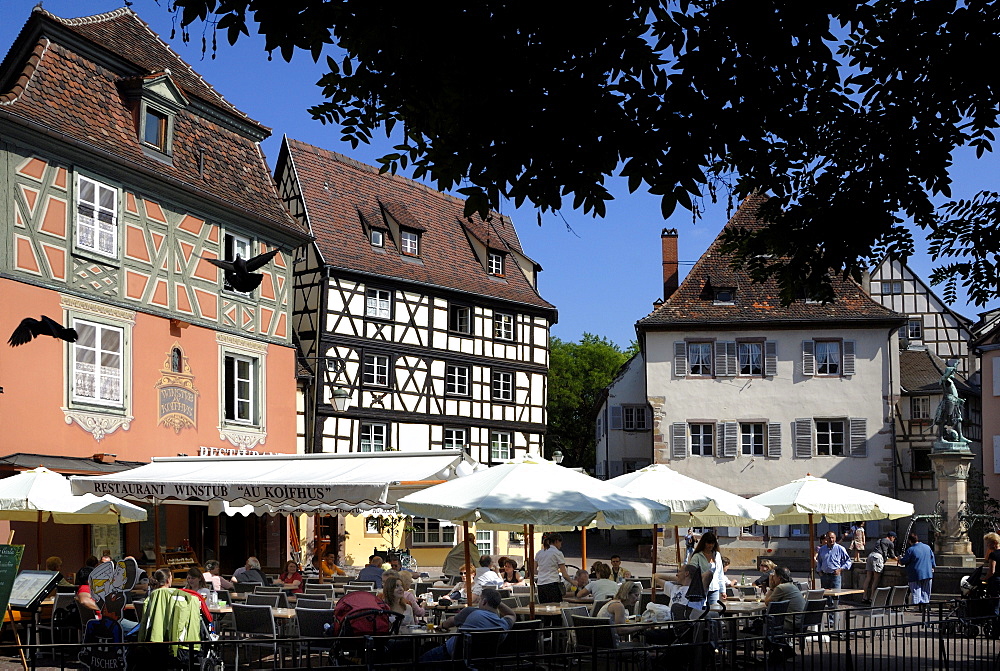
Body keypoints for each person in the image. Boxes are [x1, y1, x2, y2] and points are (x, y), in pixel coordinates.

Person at [420, 588, 516, 662]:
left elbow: (450, 622)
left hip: (452, 655)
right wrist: (497, 602)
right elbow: (512, 614)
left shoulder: (471, 612)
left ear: (484, 602)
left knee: (419, 661)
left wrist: (441, 626)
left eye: (479, 600)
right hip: (482, 661)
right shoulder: (503, 624)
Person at [898, 532, 936, 612]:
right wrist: (932, 567)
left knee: (916, 590)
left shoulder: (911, 550)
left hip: (915, 573)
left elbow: (904, 561)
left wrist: (899, 559)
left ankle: (917, 606)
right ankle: (925, 605)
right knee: (926, 590)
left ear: (909, 541)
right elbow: (932, 559)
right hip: (927, 572)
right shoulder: (927, 547)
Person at [687, 531, 724, 606]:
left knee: (714, 611)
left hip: (714, 588)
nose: (710, 545)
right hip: (701, 588)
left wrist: (723, 590)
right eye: (708, 543)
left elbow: (720, 573)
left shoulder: (717, 555)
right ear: (704, 543)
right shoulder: (697, 556)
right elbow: (692, 571)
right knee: (702, 611)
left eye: (712, 543)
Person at [764, 567, 805, 632]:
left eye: (774, 576)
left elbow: (767, 603)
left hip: (791, 623)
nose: (772, 578)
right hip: (801, 622)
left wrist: (771, 587)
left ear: (779, 578)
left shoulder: (781, 587)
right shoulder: (792, 586)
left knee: (760, 623)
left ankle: (768, 641)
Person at [535, 532, 571, 604]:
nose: (561, 546)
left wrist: (542, 574)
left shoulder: (539, 553)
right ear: (557, 541)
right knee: (556, 608)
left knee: (544, 608)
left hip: (541, 585)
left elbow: (533, 570)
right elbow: (564, 574)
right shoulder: (558, 553)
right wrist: (573, 582)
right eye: (560, 543)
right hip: (552, 584)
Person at [983, 533, 1000, 615]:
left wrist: (985, 578)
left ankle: (995, 625)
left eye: (988, 543)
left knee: (995, 605)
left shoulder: (993, 555)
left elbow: (991, 571)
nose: (987, 545)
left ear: (994, 542)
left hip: (997, 582)